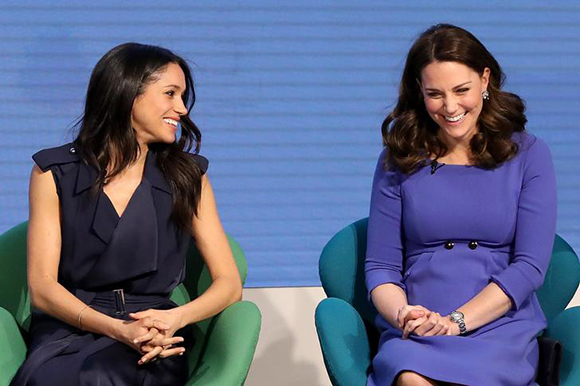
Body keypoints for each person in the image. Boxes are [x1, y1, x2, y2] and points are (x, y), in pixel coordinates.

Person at [11, 43, 242, 385]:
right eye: (170, 94)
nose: (181, 109)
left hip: (154, 332)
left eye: (182, 96)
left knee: (113, 373)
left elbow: (229, 284)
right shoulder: (53, 171)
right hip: (72, 325)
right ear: (128, 94)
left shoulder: (190, 176)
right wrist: (117, 329)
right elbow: (43, 288)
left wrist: (174, 320)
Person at [365, 24, 557, 385]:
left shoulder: (529, 154)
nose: (450, 107)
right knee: (410, 377)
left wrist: (457, 321)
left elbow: (530, 266)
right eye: (435, 94)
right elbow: (381, 268)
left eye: (461, 90)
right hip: (421, 322)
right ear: (419, 92)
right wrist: (405, 314)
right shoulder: (398, 159)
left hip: (499, 324)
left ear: (485, 80)